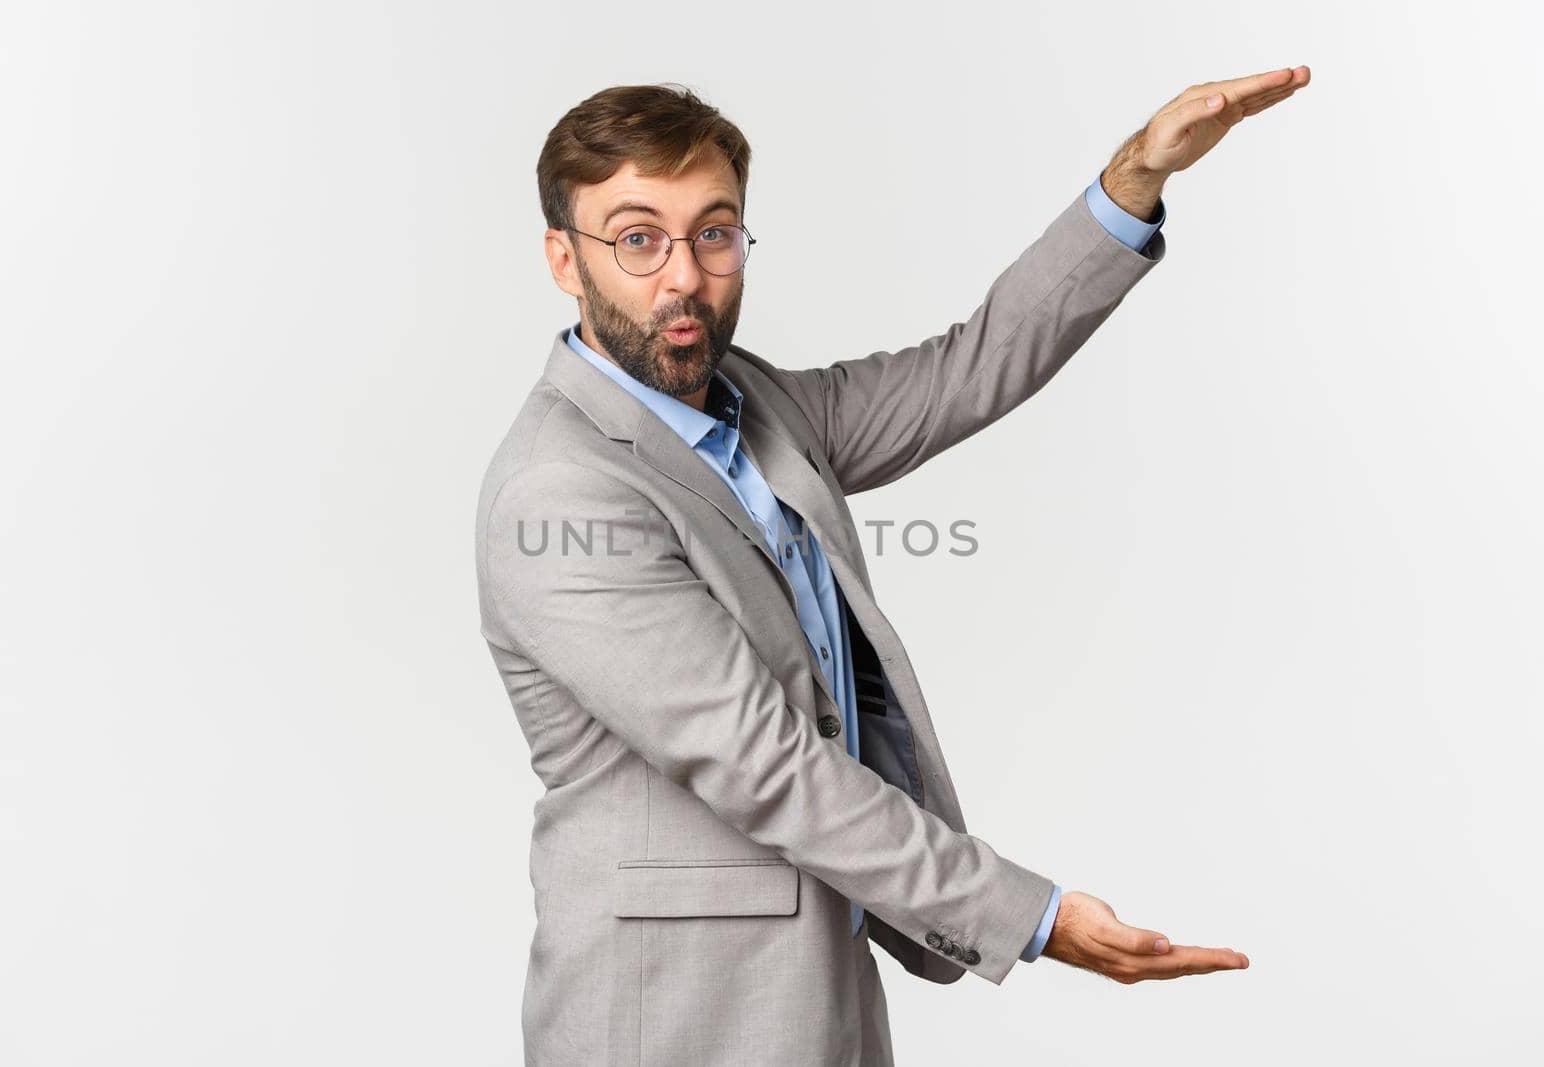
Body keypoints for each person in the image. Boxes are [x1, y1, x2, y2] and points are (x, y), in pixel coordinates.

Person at [476, 70, 1309, 1066]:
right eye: (637, 236)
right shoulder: (560, 490)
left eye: (713, 231)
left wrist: (1132, 179)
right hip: (670, 1018)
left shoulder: (759, 407)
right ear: (563, 258)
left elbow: (967, 367)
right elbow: (767, 764)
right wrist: (1031, 915)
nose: (684, 277)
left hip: (817, 988)